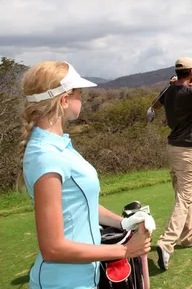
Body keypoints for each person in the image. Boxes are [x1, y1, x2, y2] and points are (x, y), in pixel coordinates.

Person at [18, 61, 152, 289]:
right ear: (64, 99)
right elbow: (53, 248)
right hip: (62, 283)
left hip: (81, 279)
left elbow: (80, 204)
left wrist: (123, 222)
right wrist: (125, 250)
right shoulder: (46, 156)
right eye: (79, 92)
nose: (83, 98)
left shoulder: (58, 147)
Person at [151, 57, 192, 270]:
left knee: (183, 195)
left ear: (176, 72)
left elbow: (157, 105)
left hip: (173, 149)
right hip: (186, 151)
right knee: (185, 197)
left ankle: (189, 237)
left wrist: (171, 85)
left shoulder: (168, 92)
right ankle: (167, 243)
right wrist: (185, 84)